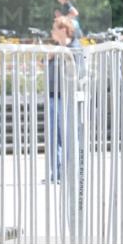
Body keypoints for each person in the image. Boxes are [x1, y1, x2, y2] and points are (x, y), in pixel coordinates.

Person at [45, 15, 82, 182]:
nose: (52, 32)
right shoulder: (55, 48)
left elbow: (79, 72)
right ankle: (56, 174)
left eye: (54, 28)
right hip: (53, 96)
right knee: (53, 138)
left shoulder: (75, 48)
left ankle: (69, 173)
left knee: (67, 137)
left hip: (66, 98)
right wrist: (50, 57)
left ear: (63, 30)